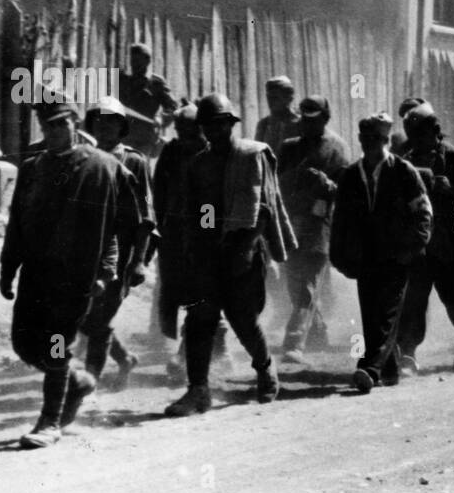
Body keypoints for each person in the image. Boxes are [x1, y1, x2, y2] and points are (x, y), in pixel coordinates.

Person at [0, 96, 141, 447]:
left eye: (61, 124)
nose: (54, 132)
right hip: (36, 272)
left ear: (75, 125)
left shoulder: (103, 167)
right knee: (24, 343)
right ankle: (77, 383)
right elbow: (17, 220)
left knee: (56, 344)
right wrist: (8, 268)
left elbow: (120, 227)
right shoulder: (32, 168)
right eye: (47, 126)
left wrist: (107, 272)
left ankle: (49, 423)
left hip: (77, 274)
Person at [165, 95, 294, 417]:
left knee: (243, 319)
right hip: (210, 253)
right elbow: (199, 212)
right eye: (209, 126)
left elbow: (262, 208)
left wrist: (246, 248)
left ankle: (265, 369)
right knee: (200, 319)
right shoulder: (199, 164)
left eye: (221, 124)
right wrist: (197, 248)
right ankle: (198, 391)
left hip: (244, 249)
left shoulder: (251, 156)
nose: (215, 131)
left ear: (231, 124)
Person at [329, 113, 432, 393]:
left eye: (375, 139)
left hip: (397, 256)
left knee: (387, 313)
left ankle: (369, 368)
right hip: (365, 258)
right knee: (371, 315)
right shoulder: (351, 175)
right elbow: (339, 220)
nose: (368, 144)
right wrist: (337, 255)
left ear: (386, 140)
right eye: (364, 139)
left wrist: (413, 248)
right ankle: (390, 368)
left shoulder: (403, 171)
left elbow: (423, 213)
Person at [398, 104, 454, 373]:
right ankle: (408, 354)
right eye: (412, 136)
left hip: (452, 244)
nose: (417, 142)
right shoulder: (405, 161)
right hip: (419, 244)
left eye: (421, 135)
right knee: (413, 300)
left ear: (436, 132)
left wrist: (453, 192)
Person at [78, 97, 157, 392]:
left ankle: (89, 384)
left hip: (122, 253)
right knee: (87, 317)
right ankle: (124, 359)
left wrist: (139, 261)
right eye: (99, 120)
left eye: (111, 121)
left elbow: (146, 217)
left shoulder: (134, 161)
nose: (104, 126)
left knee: (99, 319)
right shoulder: (84, 157)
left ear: (121, 127)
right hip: (88, 250)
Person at [277, 96, 351, 364]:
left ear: (325, 118)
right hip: (290, 223)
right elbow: (275, 184)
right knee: (295, 286)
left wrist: (325, 184)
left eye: (314, 119)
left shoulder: (338, 148)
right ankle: (318, 333)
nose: (308, 124)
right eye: (304, 118)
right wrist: (295, 178)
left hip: (320, 225)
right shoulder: (288, 147)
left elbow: (346, 192)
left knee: (307, 286)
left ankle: (294, 342)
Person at [152, 102, 217, 382]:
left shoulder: (212, 151)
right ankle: (183, 346)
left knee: (203, 290)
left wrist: (207, 231)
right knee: (174, 287)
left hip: (205, 232)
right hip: (175, 230)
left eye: (188, 130)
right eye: (178, 129)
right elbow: (159, 190)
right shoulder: (171, 150)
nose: (182, 135)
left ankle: (187, 355)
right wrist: (163, 223)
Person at [118, 43, 177, 157]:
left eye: (137, 60)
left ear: (147, 61)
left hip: (144, 139)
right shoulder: (123, 80)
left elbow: (173, 107)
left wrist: (161, 119)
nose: (133, 64)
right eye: (132, 60)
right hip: (123, 136)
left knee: (139, 168)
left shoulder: (156, 83)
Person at [257, 76, 301, 154]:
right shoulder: (264, 125)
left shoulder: (301, 123)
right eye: (269, 98)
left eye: (275, 98)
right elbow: (258, 154)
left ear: (288, 98)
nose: (270, 102)